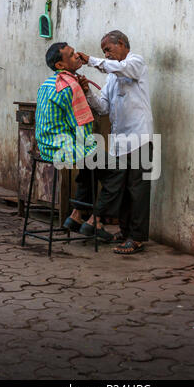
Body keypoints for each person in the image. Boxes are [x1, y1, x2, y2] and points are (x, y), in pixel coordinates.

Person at [35, 42, 122, 241]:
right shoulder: (71, 87)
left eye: (75, 53)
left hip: (45, 147)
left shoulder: (48, 83)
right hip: (63, 149)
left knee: (91, 163)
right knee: (117, 169)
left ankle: (75, 216)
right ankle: (95, 220)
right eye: (71, 55)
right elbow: (82, 128)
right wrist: (93, 149)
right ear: (60, 65)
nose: (77, 56)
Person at [78, 30, 154, 254]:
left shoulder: (135, 62)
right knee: (122, 188)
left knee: (138, 189)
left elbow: (122, 68)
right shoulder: (111, 76)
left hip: (140, 136)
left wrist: (91, 61)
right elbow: (102, 108)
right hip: (120, 141)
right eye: (104, 52)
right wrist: (87, 92)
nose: (107, 55)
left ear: (121, 44)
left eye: (108, 50)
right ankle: (125, 231)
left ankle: (137, 238)